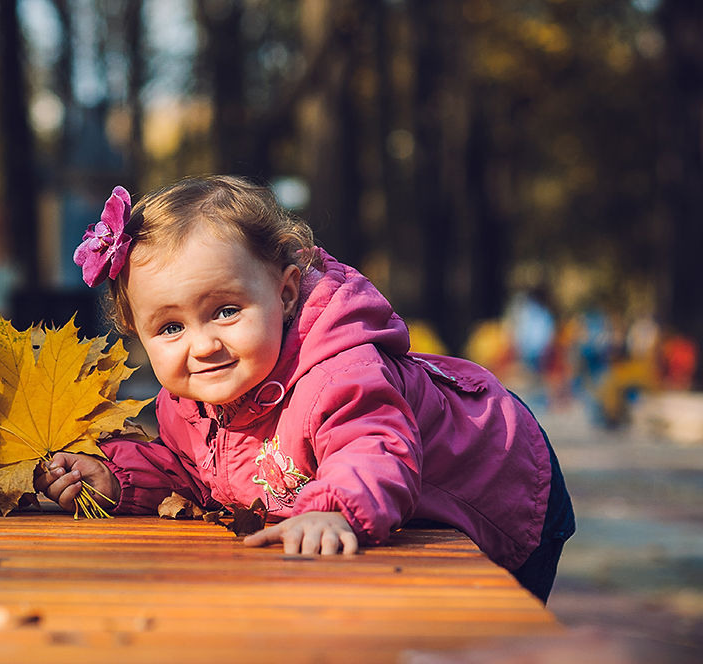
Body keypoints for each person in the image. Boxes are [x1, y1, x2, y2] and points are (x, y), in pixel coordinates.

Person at [33, 175, 575, 603]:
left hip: (503, 483)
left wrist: (335, 507)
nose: (201, 346)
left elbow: (373, 446)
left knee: (478, 632)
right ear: (139, 334)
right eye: (170, 328)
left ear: (286, 294)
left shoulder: (338, 373)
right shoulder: (188, 403)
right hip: (401, 508)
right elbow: (191, 472)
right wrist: (115, 478)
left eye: (225, 311)